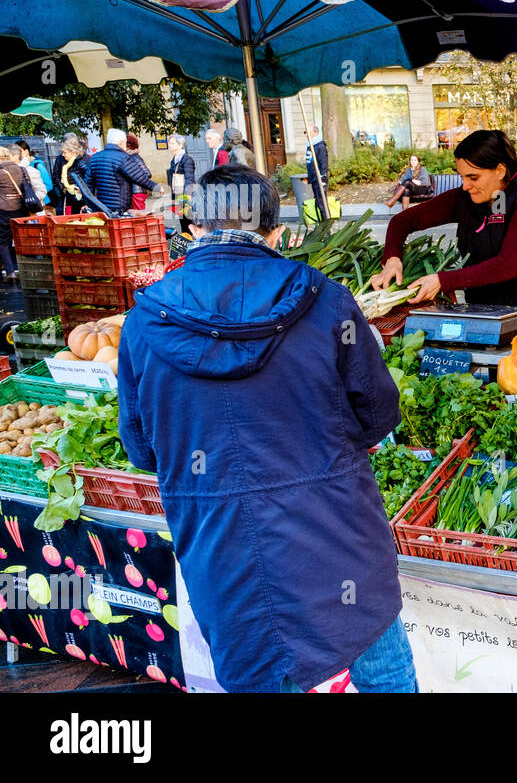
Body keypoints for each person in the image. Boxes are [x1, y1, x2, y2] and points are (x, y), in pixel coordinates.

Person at [116, 164, 416, 694]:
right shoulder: (326, 302)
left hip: (224, 548)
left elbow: (141, 449)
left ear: (193, 230)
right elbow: (378, 415)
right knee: (382, 668)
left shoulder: (142, 323)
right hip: (338, 535)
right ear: (276, 234)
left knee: (259, 671)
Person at [372, 129, 517, 327]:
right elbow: (402, 221)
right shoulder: (467, 197)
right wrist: (392, 258)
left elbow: (507, 266)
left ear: (500, 171)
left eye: (473, 177)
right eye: (462, 177)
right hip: (490, 315)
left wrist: (442, 280)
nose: (466, 185)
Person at [88, 128, 160, 214]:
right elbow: (138, 176)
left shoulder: (94, 158)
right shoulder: (123, 157)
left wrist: (90, 205)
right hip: (120, 207)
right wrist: (156, 187)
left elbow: (88, 184)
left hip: (102, 206)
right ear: (121, 142)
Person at [0, 145, 29, 281]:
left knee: (3, 242)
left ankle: (11, 272)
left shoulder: (0, 172)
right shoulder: (22, 170)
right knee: (22, 240)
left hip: (4, 211)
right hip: (22, 209)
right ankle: (28, 271)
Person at [50, 133, 89, 215]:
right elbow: (56, 176)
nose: (63, 154)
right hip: (69, 196)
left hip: (81, 198)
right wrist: (63, 189)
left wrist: (82, 189)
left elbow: (89, 178)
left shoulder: (83, 161)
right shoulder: (61, 159)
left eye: (65, 152)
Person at [166, 134, 196, 235]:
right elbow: (172, 180)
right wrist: (173, 197)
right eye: (169, 143)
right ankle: (185, 240)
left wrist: (187, 196)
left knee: (188, 219)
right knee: (182, 219)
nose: (170, 145)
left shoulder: (186, 159)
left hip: (185, 194)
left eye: (172, 143)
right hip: (178, 193)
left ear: (180, 145)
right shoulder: (173, 160)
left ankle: (193, 240)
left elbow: (189, 178)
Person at [304, 124, 331, 222]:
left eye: (308, 132)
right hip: (314, 178)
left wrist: (323, 178)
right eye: (305, 132)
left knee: (322, 203)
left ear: (315, 133)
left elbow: (323, 162)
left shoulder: (319, 146)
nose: (306, 134)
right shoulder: (310, 145)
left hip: (319, 179)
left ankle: (327, 224)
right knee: (318, 203)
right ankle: (322, 223)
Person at [14, 140, 51, 207]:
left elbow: (49, 185)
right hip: (27, 203)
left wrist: (32, 195)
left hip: (40, 203)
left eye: (19, 151)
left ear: (26, 151)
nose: (17, 154)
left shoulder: (37, 165)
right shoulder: (17, 166)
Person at [123, 135, 151, 211]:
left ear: (128, 145)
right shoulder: (130, 157)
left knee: (139, 216)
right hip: (135, 191)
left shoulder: (134, 157)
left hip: (137, 191)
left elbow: (147, 173)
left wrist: (133, 177)